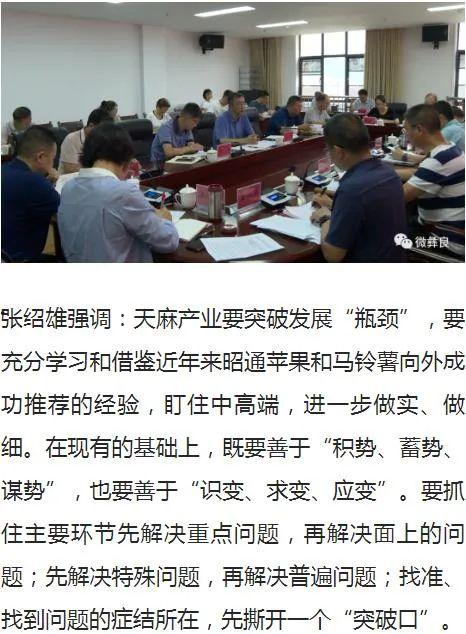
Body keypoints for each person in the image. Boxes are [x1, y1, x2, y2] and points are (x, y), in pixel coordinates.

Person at [58, 123, 179, 263]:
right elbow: (168, 241)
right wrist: (165, 220)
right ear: (126, 160)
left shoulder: (67, 188)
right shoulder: (122, 193)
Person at [311, 113, 407, 262]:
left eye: (328, 150)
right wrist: (334, 205)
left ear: (339, 152)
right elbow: (367, 211)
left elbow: (333, 255)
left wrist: (324, 218)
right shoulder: (389, 172)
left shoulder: (352, 189)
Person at [401, 104, 464, 235]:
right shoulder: (451, 149)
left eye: (406, 130)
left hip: (445, 236)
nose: (406, 135)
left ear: (419, 129)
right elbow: (420, 173)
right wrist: (389, 172)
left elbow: (400, 195)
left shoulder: (439, 161)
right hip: (445, 226)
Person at [2, 126, 60, 262]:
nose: (53, 164)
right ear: (41, 157)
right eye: (53, 159)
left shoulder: (4, 169)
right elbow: (64, 214)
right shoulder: (36, 183)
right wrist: (48, 185)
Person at [59, 108, 112, 174]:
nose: (103, 134)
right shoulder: (71, 139)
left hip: (96, 177)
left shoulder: (101, 140)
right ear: (91, 125)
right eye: (101, 130)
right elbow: (70, 170)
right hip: (72, 178)